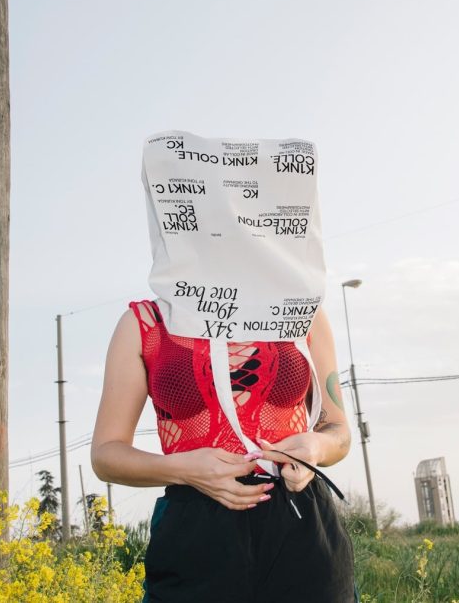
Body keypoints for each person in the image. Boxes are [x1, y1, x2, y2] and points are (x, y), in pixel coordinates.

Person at [91, 131, 356, 602]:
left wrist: (314, 447)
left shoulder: (301, 313)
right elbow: (107, 454)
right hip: (195, 530)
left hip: (302, 527)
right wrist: (183, 468)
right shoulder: (144, 324)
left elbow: (339, 431)